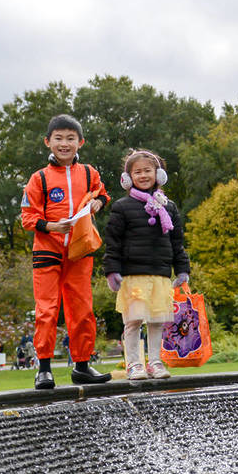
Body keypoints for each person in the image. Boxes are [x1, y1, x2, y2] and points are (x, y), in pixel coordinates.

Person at [20, 114, 112, 389]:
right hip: (47, 250)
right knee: (47, 309)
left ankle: (82, 366)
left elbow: (102, 194)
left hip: (80, 249)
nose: (64, 144)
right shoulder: (38, 179)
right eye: (58, 138)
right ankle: (44, 369)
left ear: (80, 142)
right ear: (48, 142)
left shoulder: (88, 172)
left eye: (70, 138)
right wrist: (51, 226)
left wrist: (98, 203)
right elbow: (27, 217)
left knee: (82, 309)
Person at [103, 149, 190, 380]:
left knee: (157, 321)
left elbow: (177, 242)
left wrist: (182, 269)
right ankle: (134, 364)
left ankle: (155, 362)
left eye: (147, 171)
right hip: (133, 275)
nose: (143, 175)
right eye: (137, 172)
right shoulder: (122, 207)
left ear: (158, 174)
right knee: (133, 321)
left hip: (160, 274)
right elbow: (113, 241)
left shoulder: (168, 207)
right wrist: (112, 270)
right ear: (128, 177)